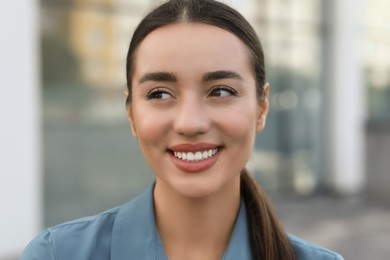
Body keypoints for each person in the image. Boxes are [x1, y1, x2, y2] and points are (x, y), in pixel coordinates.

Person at [21, 0, 344, 259]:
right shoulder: (56, 254)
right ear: (131, 113)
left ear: (261, 107)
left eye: (220, 91)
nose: (189, 123)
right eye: (159, 94)